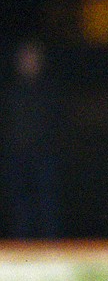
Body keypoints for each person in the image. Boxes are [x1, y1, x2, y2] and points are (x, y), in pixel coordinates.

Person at [1, 38, 64, 238]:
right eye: (25, 58)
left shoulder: (50, 90)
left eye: (33, 57)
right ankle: (22, 248)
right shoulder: (9, 91)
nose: (29, 62)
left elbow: (57, 124)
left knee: (47, 205)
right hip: (16, 156)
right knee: (20, 206)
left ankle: (50, 248)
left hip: (44, 156)